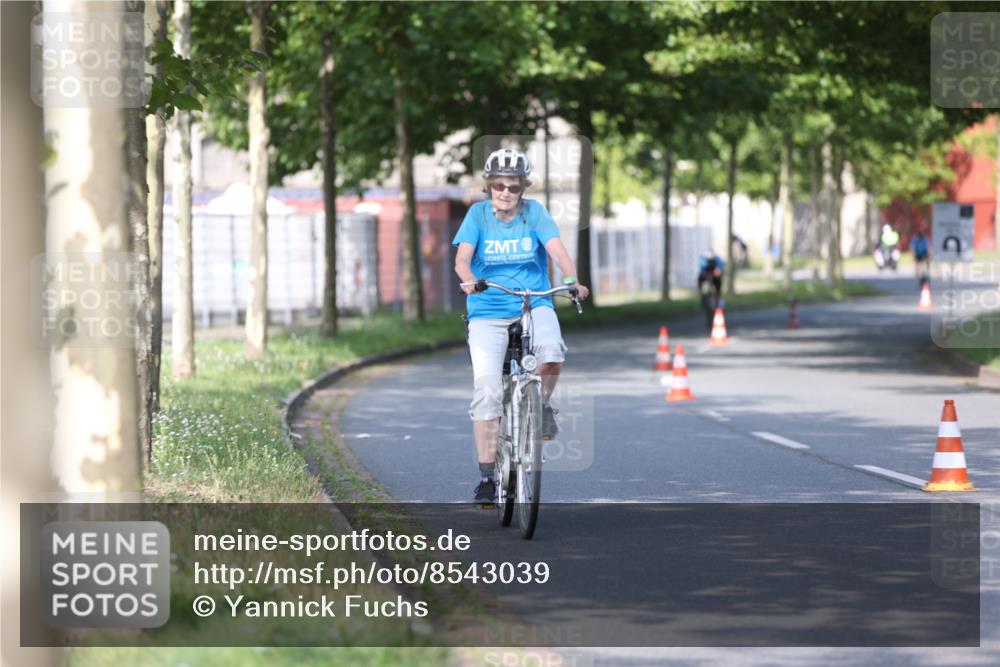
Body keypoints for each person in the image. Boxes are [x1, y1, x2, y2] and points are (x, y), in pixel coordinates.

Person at [452, 148, 590, 504]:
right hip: (488, 309)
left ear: (523, 189)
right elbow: (462, 258)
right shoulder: (477, 216)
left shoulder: (536, 214)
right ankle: (486, 477)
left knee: (553, 353)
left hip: (534, 301)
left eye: (513, 187)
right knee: (487, 393)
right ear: (489, 186)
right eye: (498, 186)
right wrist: (468, 279)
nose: (505, 193)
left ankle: (541, 405)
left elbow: (557, 250)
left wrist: (572, 278)